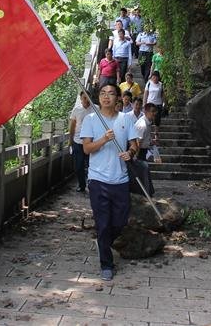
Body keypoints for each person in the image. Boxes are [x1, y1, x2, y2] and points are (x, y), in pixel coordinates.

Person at [80, 83, 139, 281]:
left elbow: (134, 144)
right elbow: (86, 149)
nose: (106, 97)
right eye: (103, 93)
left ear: (118, 98)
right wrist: (104, 140)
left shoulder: (126, 119)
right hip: (97, 179)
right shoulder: (90, 119)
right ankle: (106, 264)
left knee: (120, 221)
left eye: (111, 93)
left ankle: (103, 242)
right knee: (103, 223)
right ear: (98, 97)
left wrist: (130, 153)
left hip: (120, 179)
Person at [68, 91, 96, 193]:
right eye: (84, 98)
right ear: (80, 99)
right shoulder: (76, 110)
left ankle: (92, 185)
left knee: (91, 165)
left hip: (91, 142)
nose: (86, 100)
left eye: (88, 97)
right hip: (78, 141)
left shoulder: (96, 109)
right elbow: (72, 125)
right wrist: (70, 140)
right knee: (78, 165)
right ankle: (81, 185)